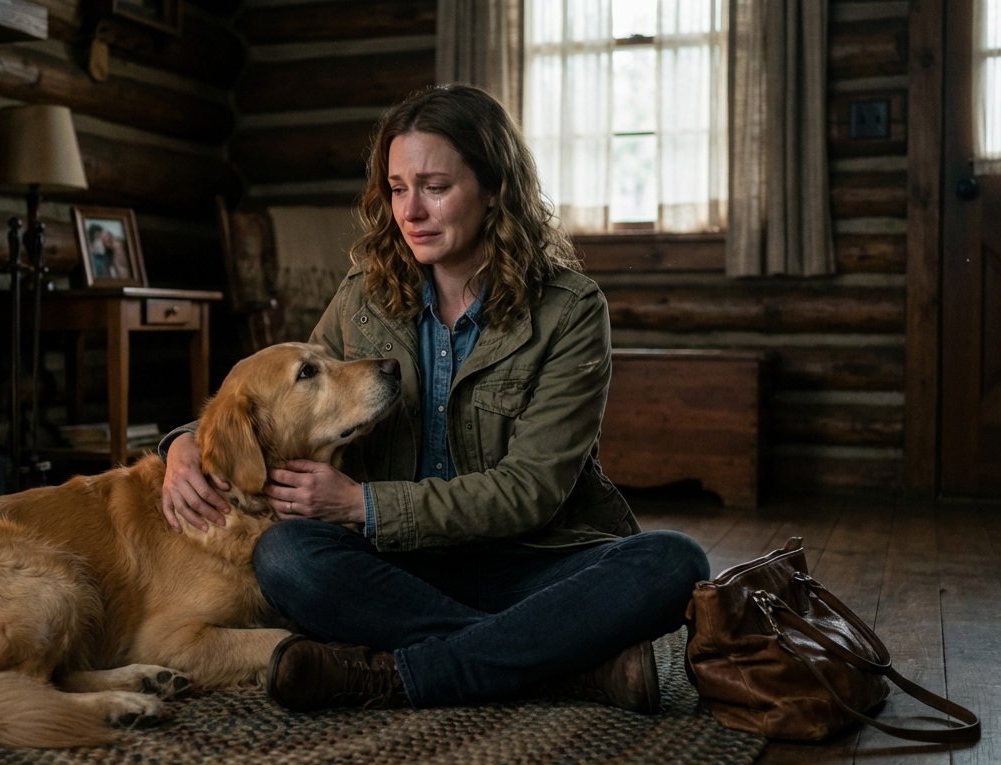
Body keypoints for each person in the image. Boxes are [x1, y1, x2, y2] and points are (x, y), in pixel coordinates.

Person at [159, 84, 709, 714]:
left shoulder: (571, 310)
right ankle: (562, 668)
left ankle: (402, 673)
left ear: (495, 188)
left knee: (674, 561)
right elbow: (285, 399)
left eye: (435, 187)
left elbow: (531, 490)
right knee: (287, 557)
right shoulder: (363, 295)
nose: (411, 211)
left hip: (535, 562)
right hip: (399, 569)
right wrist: (185, 442)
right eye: (398, 189)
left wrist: (363, 505)